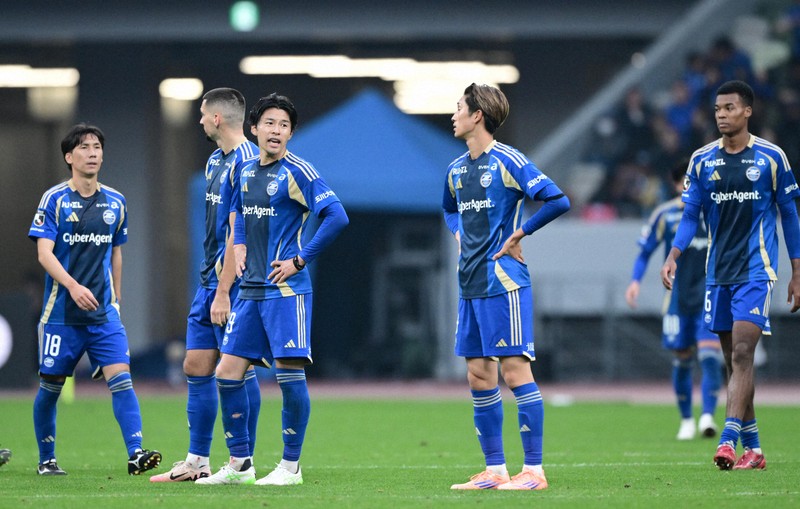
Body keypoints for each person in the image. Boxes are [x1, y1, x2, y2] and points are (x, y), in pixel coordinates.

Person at [196, 93, 349, 486]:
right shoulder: (245, 171)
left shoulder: (298, 171)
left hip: (286, 291)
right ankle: (240, 463)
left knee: (288, 375)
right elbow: (239, 212)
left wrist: (300, 259)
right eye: (269, 123)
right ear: (254, 129)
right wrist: (241, 243)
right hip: (250, 290)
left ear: (291, 133)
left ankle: (290, 467)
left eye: (283, 125)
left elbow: (336, 216)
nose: (276, 131)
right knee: (227, 373)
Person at [661, 80, 800, 470]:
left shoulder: (772, 157)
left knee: (742, 352)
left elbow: (789, 215)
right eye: (718, 109)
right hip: (717, 272)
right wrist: (673, 253)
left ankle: (727, 440)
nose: (721, 114)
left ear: (747, 112)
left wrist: (797, 272)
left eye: (729, 108)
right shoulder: (702, 160)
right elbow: (690, 215)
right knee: (734, 361)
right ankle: (754, 450)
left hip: (757, 270)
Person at [443, 84, 570, 491]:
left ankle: (534, 471)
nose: (453, 114)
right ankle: (495, 470)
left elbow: (556, 200)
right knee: (479, 375)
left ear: (477, 115)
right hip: (470, 284)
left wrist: (520, 233)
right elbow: (448, 210)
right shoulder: (456, 169)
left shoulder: (508, 160)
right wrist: (459, 232)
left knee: (515, 372)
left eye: (459, 107)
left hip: (503, 283)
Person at [27, 124, 162, 476]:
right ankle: (47, 459)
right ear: (69, 157)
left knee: (122, 379)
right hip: (61, 315)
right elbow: (45, 254)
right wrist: (72, 286)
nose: (92, 152)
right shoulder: (54, 199)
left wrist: (116, 299)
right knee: (51, 388)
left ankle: (135, 452)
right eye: (84, 147)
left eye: (97, 146)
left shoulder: (116, 202)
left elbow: (116, 253)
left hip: (103, 316)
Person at [150, 88, 260, 482]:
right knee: (196, 364)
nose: (198, 120)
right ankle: (197, 462)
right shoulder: (215, 160)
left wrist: (225, 289)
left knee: (235, 369)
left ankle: (241, 461)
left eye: (201, 114)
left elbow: (239, 231)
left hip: (234, 283)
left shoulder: (248, 163)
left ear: (217, 118)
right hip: (208, 280)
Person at [625, 162, 722, 441]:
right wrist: (635, 281)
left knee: (709, 357)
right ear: (676, 184)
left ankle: (707, 416)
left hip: (708, 295)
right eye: (683, 182)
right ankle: (686, 419)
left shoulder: (713, 211)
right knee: (682, 358)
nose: (686, 187)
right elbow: (645, 252)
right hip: (677, 299)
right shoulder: (664, 215)